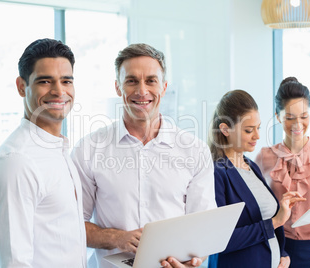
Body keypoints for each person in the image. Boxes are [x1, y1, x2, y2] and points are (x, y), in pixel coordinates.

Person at [71, 43, 216, 268]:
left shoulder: (194, 150)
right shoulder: (89, 149)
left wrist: (193, 260)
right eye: (131, 81)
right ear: (118, 87)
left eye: (150, 80)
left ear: (164, 87)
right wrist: (117, 237)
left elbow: (205, 226)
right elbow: (73, 225)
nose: (142, 91)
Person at [0, 38, 86, 267]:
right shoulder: (15, 163)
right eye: (45, 81)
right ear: (22, 86)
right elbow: (14, 263)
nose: (59, 91)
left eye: (66, 81)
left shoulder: (58, 150)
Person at [207, 90, 306, 268]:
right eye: (248, 130)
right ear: (225, 129)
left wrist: (282, 255)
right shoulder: (216, 173)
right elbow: (220, 240)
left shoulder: (251, 166)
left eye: (258, 128)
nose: (257, 136)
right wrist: (276, 221)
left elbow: (263, 223)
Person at [255, 77, 310, 268]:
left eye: (304, 116)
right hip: (277, 247)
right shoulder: (264, 157)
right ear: (278, 116)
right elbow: (257, 209)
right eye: (290, 117)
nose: (298, 124)